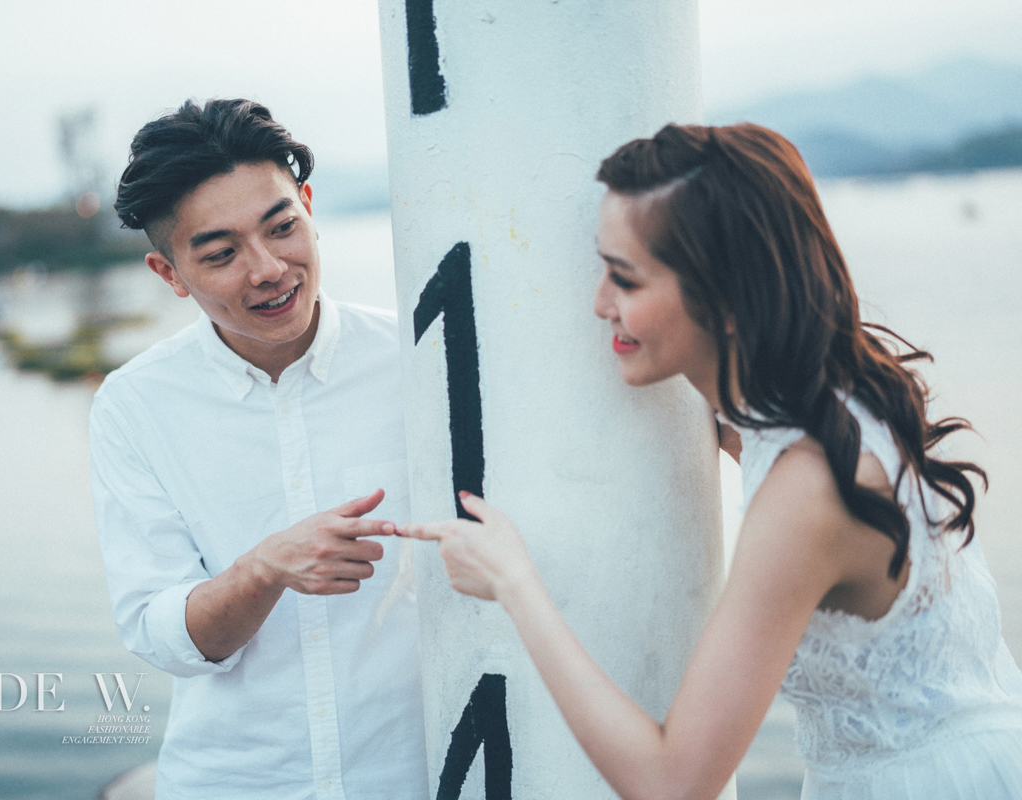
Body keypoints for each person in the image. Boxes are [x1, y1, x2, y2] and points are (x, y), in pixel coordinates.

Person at [400, 123, 1022, 799]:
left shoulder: (808, 490)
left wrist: (514, 585)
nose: (599, 304)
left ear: (726, 299)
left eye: (625, 279)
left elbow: (673, 783)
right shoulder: (842, 395)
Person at [90, 98, 427, 800]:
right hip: (234, 780)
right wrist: (262, 570)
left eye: (282, 227)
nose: (269, 268)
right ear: (169, 274)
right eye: (221, 254)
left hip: (411, 773)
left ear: (309, 207)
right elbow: (158, 632)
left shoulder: (418, 358)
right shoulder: (134, 405)